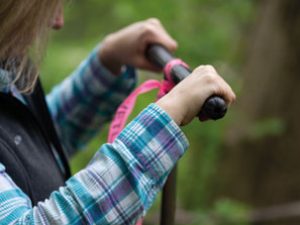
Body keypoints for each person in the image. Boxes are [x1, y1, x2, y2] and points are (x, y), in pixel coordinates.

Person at [0, 1, 235, 224]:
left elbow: (26, 147)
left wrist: (107, 62)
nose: (58, 20)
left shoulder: (7, 68)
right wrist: (160, 126)